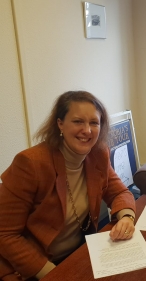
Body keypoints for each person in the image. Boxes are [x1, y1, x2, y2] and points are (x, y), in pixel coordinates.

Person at [0, 91, 136, 280]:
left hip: (77, 254)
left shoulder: (98, 154)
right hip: (34, 265)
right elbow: (5, 234)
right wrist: (53, 273)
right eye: (78, 121)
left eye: (94, 123)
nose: (87, 130)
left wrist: (126, 217)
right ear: (60, 124)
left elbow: (119, 191)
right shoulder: (31, 163)